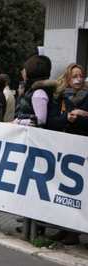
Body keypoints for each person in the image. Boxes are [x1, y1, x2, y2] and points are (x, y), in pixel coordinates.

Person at [45, 63, 88, 245]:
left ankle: (74, 232)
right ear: (67, 78)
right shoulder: (60, 97)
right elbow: (52, 121)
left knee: (79, 193)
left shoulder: (87, 97)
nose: (78, 79)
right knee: (64, 192)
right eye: (74, 76)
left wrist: (77, 119)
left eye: (80, 75)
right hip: (62, 150)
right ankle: (64, 229)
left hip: (81, 151)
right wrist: (69, 115)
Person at [13, 55, 57, 127]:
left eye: (23, 72)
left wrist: (19, 122)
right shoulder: (32, 90)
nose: (22, 75)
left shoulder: (38, 93)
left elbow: (40, 121)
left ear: (29, 73)